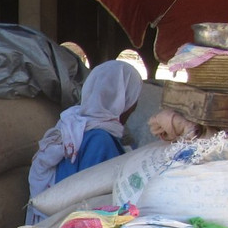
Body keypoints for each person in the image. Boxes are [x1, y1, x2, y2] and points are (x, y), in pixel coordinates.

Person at [27, 59, 143, 218]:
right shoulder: (100, 140)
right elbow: (95, 205)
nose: (135, 105)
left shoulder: (75, 124)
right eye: (134, 97)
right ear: (124, 99)